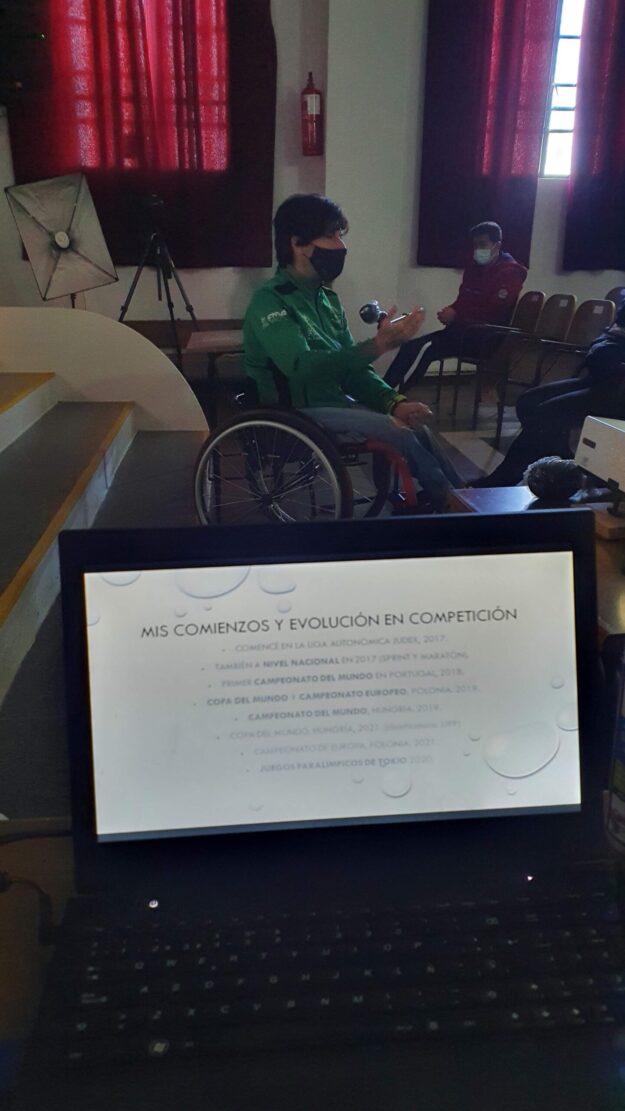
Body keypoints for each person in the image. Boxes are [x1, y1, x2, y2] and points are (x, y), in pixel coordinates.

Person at [243, 193, 461, 511]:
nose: (340, 245)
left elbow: (352, 371)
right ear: (298, 243)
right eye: (331, 236)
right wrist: (377, 345)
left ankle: (466, 496)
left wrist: (394, 402)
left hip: (331, 403)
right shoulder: (270, 300)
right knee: (396, 432)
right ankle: (453, 504)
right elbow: (301, 367)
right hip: (291, 411)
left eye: (340, 236)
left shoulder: (326, 300)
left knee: (416, 426)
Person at [473, 303, 625, 487]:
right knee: (528, 402)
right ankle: (564, 464)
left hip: (619, 390)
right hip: (605, 378)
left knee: (548, 414)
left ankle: (504, 479)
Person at [384, 221, 527, 390]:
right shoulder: (474, 269)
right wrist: (451, 310)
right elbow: (463, 301)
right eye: (475, 245)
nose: (478, 249)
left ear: (497, 245)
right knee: (411, 346)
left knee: (425, 348)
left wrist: (456, 316)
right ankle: (384, 392)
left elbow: (494, 311)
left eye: (483, 244)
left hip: (486, 337)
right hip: (463, 331)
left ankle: (390, 395)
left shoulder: (511, 273)